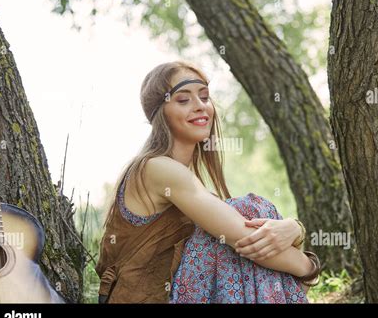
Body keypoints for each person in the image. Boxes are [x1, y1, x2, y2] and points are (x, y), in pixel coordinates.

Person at [95, 60, 321, 304]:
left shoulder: (184, 178)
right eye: (183, 100)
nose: (200, 106)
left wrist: (294, 228)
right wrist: (308, 266)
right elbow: (245, 240)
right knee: (247, 211)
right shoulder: (157, 168)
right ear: (159, 112)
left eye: (204, 97)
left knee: (234, 223)